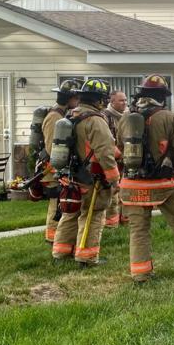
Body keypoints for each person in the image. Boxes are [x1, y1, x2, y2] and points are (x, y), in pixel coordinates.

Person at [116, 75, 174, 283]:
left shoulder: (125, 118)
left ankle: (141, 273)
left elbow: (120, 148)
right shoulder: (169, 118)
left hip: (132, 184)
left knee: (138, 229)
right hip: (165, 184)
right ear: (162, 97)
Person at [51, 79, 120, 267]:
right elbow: (105, 153)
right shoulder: (96, 121)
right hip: (92, 178)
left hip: (72, 175)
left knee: (71, 214)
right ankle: (87, 257)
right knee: (94, 214)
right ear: (99, 101)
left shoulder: (71, 115)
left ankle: (60, 252)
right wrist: (114, 180)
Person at [41, 79, 80, 243]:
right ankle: (52, 237)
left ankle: (59, 235)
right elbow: (51, 147)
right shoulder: (54, 117)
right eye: (76, 98)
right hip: (53, 168)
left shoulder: (61, 115)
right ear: (70, 98)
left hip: (60, 168)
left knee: (61, 202)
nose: (78, 102)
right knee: (55, 202)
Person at [103, 90, 128, 228]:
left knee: (125, 191)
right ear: (112, 102)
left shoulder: (128, 116)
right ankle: (111, 225)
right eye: (121, 100)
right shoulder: (105, 117)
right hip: (112, 160)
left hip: (127, 160)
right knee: (113, 193)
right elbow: (105, 141)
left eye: (125, 100)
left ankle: (125, 219)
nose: (124, 103)